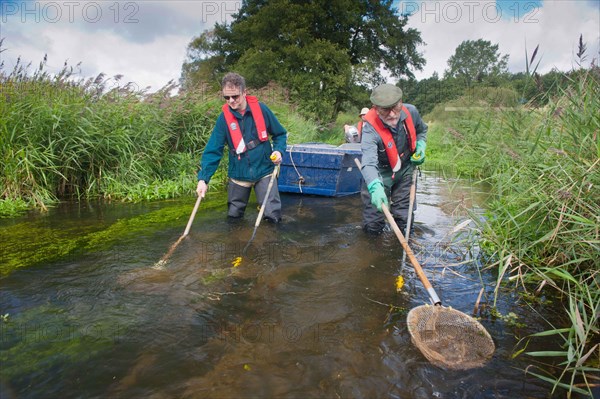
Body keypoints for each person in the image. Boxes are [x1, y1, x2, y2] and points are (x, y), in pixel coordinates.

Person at [196, 72, 287, 222]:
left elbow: (280, 134)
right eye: (227, 97)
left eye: (235, 96)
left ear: (244, 92)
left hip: (264, 170)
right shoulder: (223, 120)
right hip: (238, 173)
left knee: (272, 215)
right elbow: (213, 151)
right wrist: (203, 179)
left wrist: (278, 150)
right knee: (234, 217)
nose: (231, 101)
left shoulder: (262, 110)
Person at [358, 84, 427, 234]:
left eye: (395, 107)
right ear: (375, 108)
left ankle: (401, 247)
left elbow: (422, 131)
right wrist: (375, 187)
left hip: (405, 169)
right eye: (385, 109)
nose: (392, 114)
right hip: (380, 172)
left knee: (404, 219)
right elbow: (369, 162)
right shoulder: (369, 127)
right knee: (373, 223)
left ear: (401, 102)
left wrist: (421, 146)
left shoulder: (412, 112)